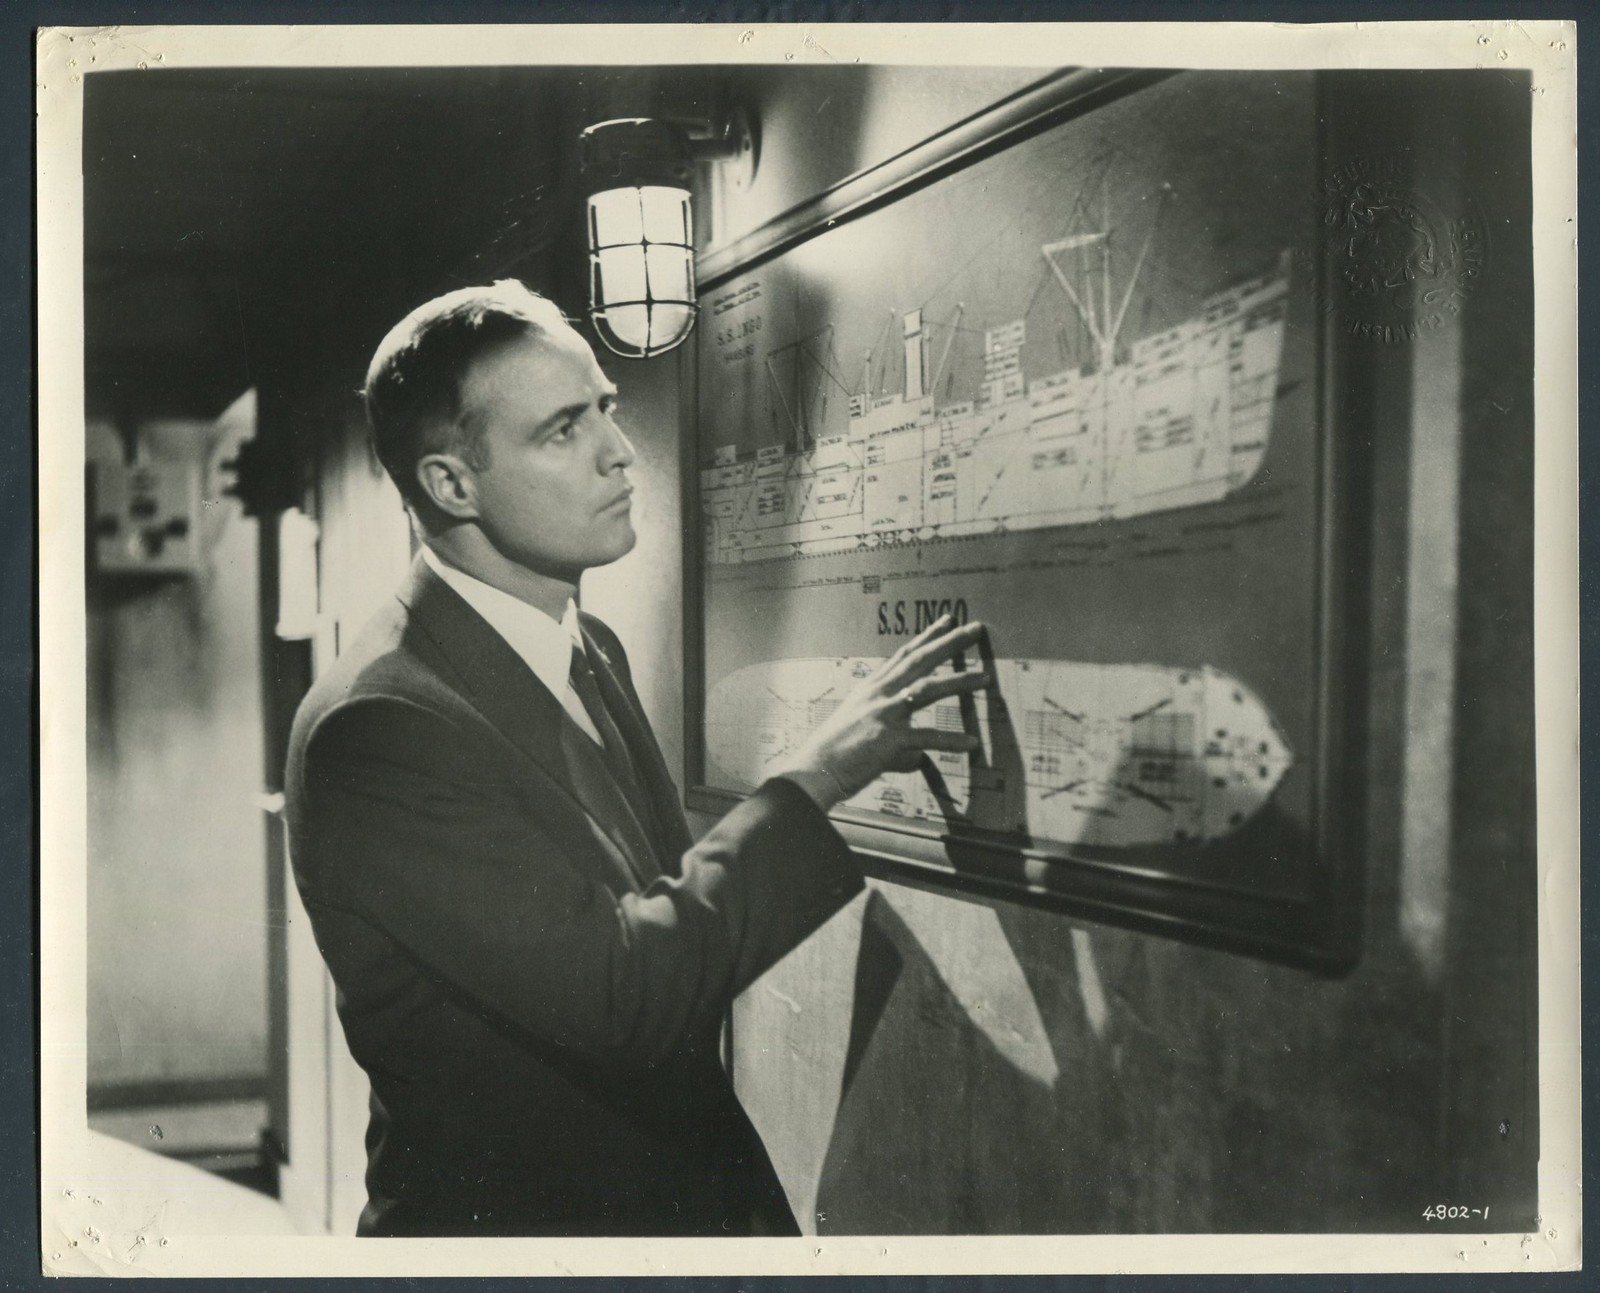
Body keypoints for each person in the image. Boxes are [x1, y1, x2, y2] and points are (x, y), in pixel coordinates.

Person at [283, 280, 988, 1237]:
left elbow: (654, 908)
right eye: (564, 429)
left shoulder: (588, 644)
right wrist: (815, 780)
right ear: (452, 484)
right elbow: (621, 992)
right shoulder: (377, 726)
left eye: (606, 409)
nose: (621, 453)